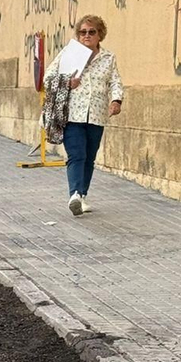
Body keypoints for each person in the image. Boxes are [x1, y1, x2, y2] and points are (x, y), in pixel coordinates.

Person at [43, 14, 123, 216]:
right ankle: (74, 195)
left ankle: (82, 195)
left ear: (100, 35)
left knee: (89, 157)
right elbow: (48, 78)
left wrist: (116, 100)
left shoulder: (108, 58)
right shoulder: (69, 53)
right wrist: (67, 83)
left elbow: (114, 82)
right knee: (77, 154)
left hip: (96, 115)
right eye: (83, 32)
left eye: (91, 32)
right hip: (72, 114)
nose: (87, 35)